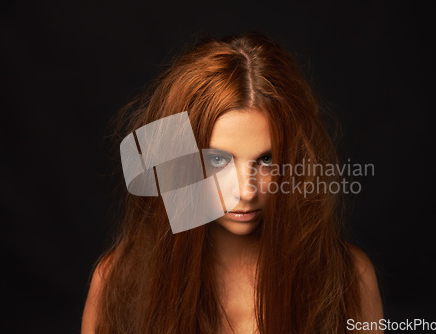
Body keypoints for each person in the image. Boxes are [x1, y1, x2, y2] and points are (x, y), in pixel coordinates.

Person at [81, 32, 383, 334]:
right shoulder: (117, 283)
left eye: (266, 160)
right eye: (217, 160)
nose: (246, 191)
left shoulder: (349, 279)